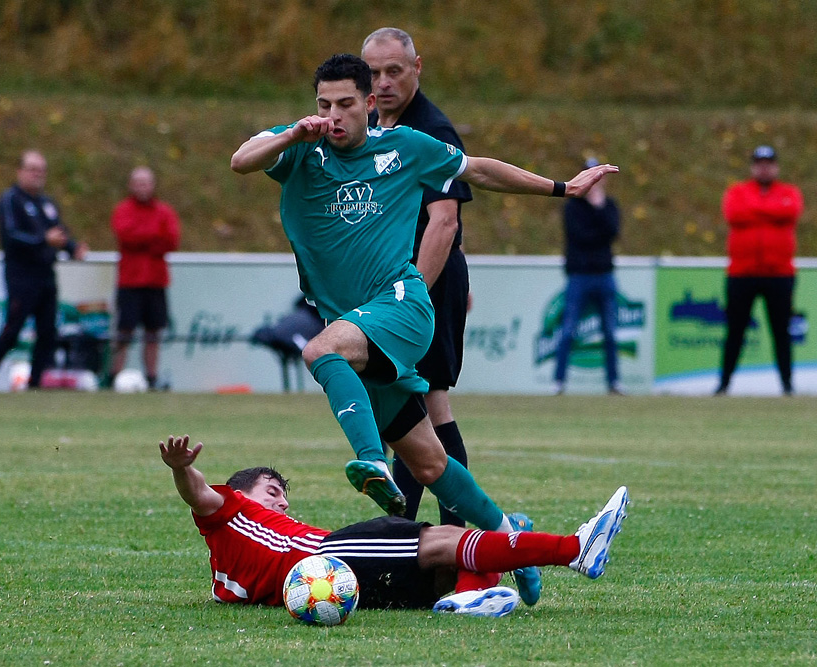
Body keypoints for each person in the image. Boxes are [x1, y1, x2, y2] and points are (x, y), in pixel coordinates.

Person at [231, 53, 617, 605]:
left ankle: (368, 460)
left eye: (345, 104)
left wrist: (563, 188)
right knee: (431, 463)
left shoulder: (406, 147)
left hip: (403, 305)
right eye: (323, 105)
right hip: (357, 328)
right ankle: (516, 543)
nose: (333, 115)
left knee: (319, 350)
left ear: (369, 103)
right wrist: (294, 132)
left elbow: (478, 169)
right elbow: (241, 161)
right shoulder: (301, 149)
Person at [160, 434, 629, 614]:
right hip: (329, 557)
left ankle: (472, 594)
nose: (281, 503)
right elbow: (198, 493)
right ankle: (574, 549)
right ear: (239, 493)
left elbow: (232, 588)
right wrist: (182, 467)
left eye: (283, 495)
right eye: (272, 492)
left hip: (337, 577)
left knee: (443, 568)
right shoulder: (232, 511)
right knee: (448, 540)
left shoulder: (228, 570)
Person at [361, 27, 474, 529]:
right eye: (373, 73)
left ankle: (435, 529)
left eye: (394, 71)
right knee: (409, 405)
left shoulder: (431, 131)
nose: (382, 83)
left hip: (420, 285)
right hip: (391, 285)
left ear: (417, 68)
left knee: (424, 402)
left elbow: (443, 221)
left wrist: (414, 300)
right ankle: (424, 530)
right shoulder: (368, 123)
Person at [0, 150, 88, 390]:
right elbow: (12, 236)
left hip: (46, 275)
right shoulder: (10, 200)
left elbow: (58, 233)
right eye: (32, 169)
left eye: (41, 170)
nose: (37, 174)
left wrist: (72, 247)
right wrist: (42, 240)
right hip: (21, 276)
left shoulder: (47, 204)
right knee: (12, 330)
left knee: (47, 331)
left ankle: (35, 384)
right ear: (20, 171)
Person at [716, 145, 803, 396]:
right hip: (742, 273)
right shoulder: (738, 191)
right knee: (735, 331)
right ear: (753, 166)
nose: (764, 168)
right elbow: (734, 215)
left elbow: (790, 211)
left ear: (775, 166)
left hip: (779, 274)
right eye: (759, 163)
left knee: (781, 331)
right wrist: (771, 213)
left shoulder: (789, 192)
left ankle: (787, 385)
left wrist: (755, 210)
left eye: (769, 163)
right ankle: (724, 384)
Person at [553, 157, 623, 395]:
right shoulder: (572, 206)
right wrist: (597, 222)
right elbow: (580, 236)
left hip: (604, 274)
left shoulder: (608, 205)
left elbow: (612, 231)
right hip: (579, 275)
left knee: (610, 332)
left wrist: (599, 208)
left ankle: (614, 382)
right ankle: (559, 382)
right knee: (568, 330)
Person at [109, 166, 181, 389]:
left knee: (153, 332)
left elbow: (171, 240)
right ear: (131, 185)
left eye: (146, 183)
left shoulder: (164, 212)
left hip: (155, 281)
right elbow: (126, 236)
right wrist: (152, 235)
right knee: (124, 331)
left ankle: (151, 378)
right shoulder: (123, 210)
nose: (143, 187)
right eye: (138, 183)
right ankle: (113, 376)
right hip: (130, 281)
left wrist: (144, 237)